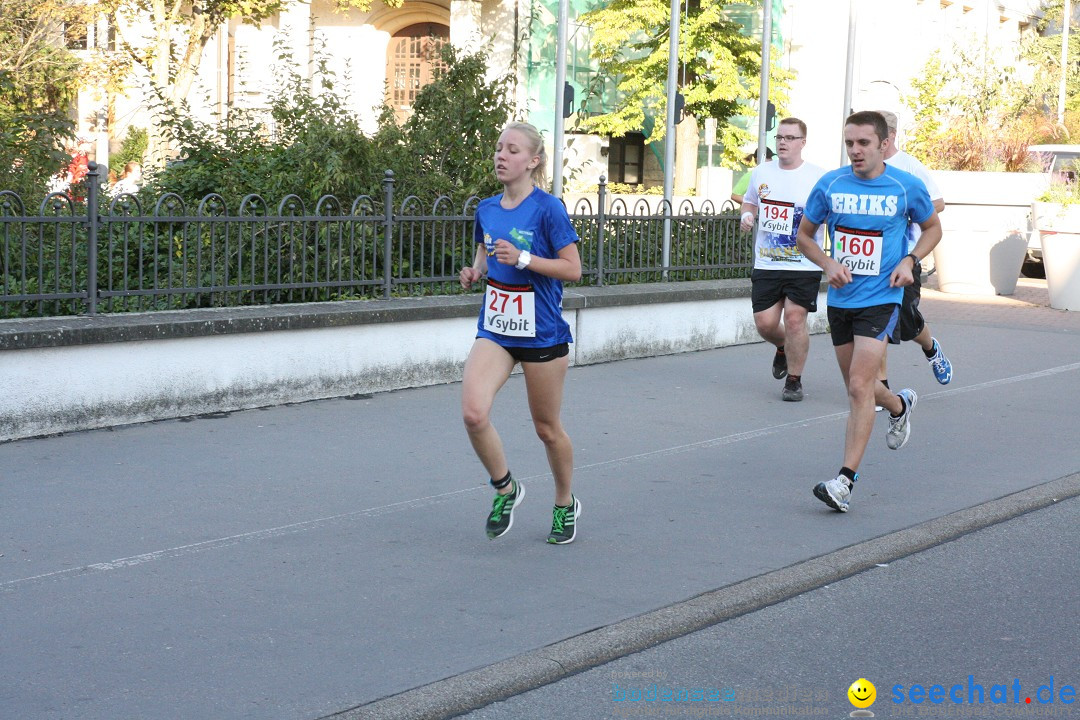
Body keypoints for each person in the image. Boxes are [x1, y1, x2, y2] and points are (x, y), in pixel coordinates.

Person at [795, 111, 942, 513]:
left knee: (860, 385)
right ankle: (899, 405)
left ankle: (844, 482)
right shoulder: (830, 185)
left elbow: (933, 228)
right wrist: (828, 265)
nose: (855, 151)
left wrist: (910, 260)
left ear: (883, 144)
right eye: (849, 143)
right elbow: (804, 236)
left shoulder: (904, 186)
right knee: (857, 387)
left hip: (883, 298)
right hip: (842, 300)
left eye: (863, 143)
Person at [459, 122, 584, 544]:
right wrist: (476, 269)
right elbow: (486, 245)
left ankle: (565, 503)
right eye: (498, 148)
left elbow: (573, 268)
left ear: (532, 161)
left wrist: (526, 258)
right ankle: (505, 488)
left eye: (512, 150)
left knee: (547, 428)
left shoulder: (548, 209)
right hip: (496, 326)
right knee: (474, 413)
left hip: (542, 333)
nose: (500, 155)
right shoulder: (487, 208)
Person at [739, 118, 826, 402]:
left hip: (804, 263)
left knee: (795, 319)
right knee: (764, 323)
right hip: (767, 262)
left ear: (803, 142)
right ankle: (782, 348)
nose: (783, 143)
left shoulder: (818, 177)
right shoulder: (761, 172)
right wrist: (747, 215)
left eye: (790, 138)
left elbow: (832, 213)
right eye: (780, 137)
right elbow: (750, 201)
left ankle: (794, 381)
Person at [876, 110, 952, 392]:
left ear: (891, 136)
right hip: (873, 262)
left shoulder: (909, 167)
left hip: (905, 258)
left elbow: (938, 203)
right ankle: (880, 387)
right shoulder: (864, 167)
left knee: (907, 325)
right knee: (877, 324)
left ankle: (931, 348)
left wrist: (906, 212)